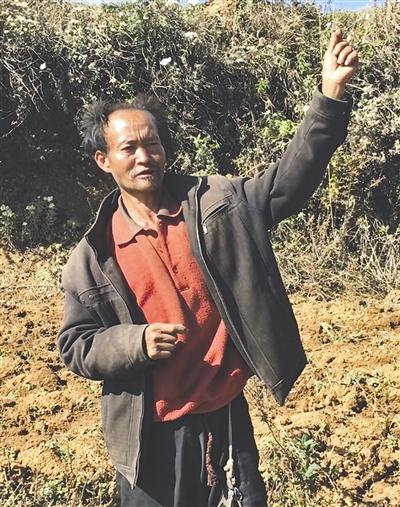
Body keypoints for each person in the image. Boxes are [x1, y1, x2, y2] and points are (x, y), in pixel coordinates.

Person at [58, 29, 358, 507]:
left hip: (226, 417)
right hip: (151, 436)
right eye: (129, 148)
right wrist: (134, 342)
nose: (144, 157)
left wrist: (329, 97)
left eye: (152, 144)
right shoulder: (93, 254)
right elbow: (77, 345)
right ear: (104, 160)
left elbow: (287, 184)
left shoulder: (217, 202)